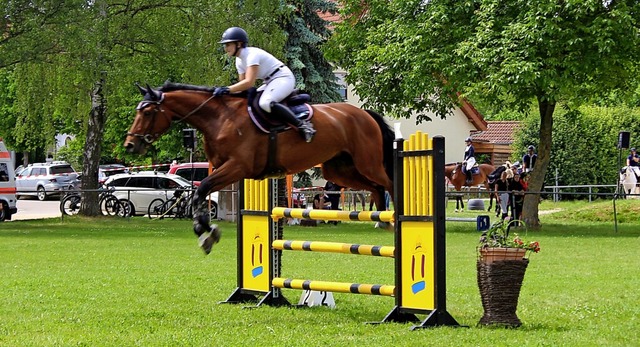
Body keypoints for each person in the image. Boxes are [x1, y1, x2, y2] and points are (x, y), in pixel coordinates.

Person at [214, 27, 316, 142]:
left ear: (239, 44)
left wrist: (227, 89)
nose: (225, 48)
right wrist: (225, 94)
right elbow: (243, 87)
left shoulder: (251, 55)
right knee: (252, 101)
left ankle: (303, 126)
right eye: (225, 45)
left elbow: (249, 82)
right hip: (270, 81)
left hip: (283, 77)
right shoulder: (239, 61)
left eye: (228, 44)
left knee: (265, 103)